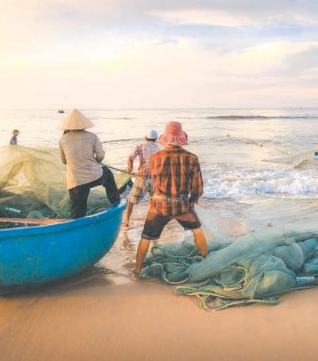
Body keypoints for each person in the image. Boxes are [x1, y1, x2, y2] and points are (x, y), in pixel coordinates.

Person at [134, 121, 208, 276]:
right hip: (182, 205)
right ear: (181, 138)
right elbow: (198, 187)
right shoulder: (192, 158)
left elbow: (154, 181)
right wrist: (192, 202)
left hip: (159, 206)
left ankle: (138, 268)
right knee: (197, 231)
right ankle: (206, 261)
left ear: (165, 138)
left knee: (146, 236)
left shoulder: (155, 157)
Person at [58, 108, 123, 219]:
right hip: (93, 175)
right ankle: (115, 201)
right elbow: (100, 155)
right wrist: (95, 161)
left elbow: (64, 161)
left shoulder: (63, 139)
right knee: (106, 173)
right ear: (84, 124)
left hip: (75, 181)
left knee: (77, 211)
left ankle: (75, 229)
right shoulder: (92, 136)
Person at [123, 129, 161, 227]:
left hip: (141, 178)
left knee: (131, 201)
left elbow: (130, 158)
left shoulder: (140, 146)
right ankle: (153, 221)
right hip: (154, 179)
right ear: (156, 139)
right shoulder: (158, 148)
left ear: (145, 138)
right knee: (153, 201)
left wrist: (130, 169)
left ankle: (127, 221)